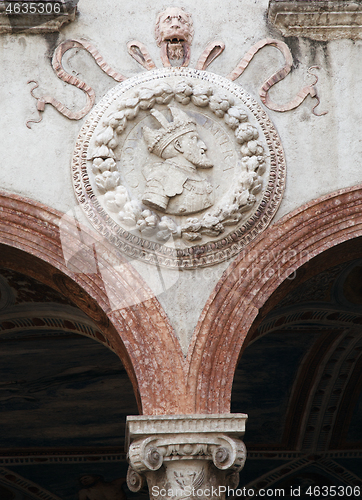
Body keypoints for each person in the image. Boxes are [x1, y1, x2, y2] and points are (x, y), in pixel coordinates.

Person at [142, 106, 214, 215]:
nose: (203, 146)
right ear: (178, 145)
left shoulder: (199, 179)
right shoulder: (160, 177)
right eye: (195, 139)